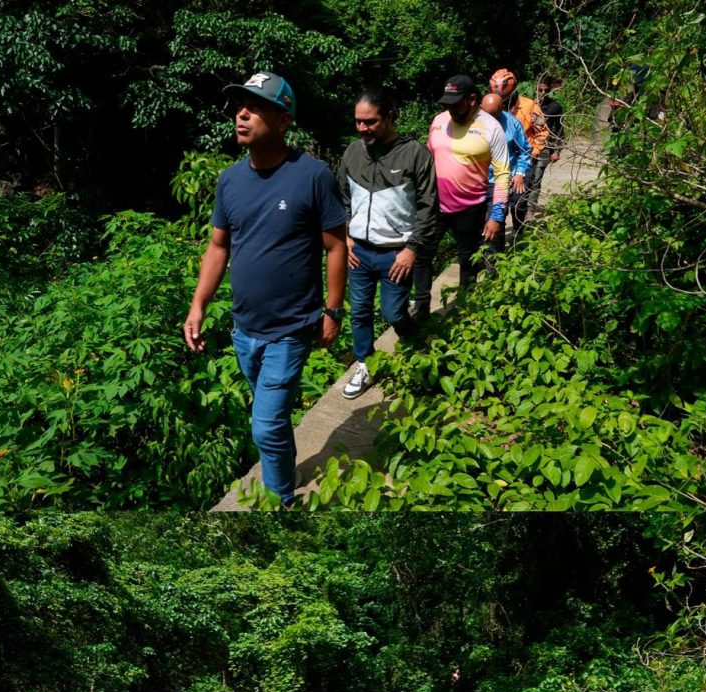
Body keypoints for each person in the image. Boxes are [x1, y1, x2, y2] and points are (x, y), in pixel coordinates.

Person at [184, 71, 347, 507]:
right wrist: (199, 304)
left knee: (266, 424)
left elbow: (336, 247)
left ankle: (280, 503)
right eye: (241, 106)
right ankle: (287, 470)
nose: (242, 114)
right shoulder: (230, 180)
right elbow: (218, 247)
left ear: (283, 120)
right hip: (245, 328)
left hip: (291, 327)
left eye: (255, 107)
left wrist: (333, 312)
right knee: (270, 416)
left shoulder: (312, 176)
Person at [338, 86, 437, 399]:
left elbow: (428, 206)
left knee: (394, 313)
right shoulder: (353, 153)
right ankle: (364, 364)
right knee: (359, 312)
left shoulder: (415, 154)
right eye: (358, 121)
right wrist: (345, 236)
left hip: (396, 253)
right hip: (358, 251)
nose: (362, 128)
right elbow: (341, 198)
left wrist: (412, 249)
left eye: (370, 122)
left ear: (390, 116)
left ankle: (418, 347)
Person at [411, 75, 510, 317]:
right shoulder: (439, 121)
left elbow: (502, 173)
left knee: (468, 259)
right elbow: (429, 158)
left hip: (470, 207)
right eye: (447, 104)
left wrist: (496, 215)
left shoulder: (491, 127)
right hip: (435, 204)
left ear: (472, 99)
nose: (451, 109)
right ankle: (421, 307)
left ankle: (466, 307)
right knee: (422, 254)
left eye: (456, 104)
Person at [488, 69, 549, 237]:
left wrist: (533, 152)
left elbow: (543, 131)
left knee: (518, 202)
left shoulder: (529, 106)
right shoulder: (489, 105)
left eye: (504, 100)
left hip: (523, 159)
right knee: (498, 204)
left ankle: (518, 233)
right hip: (498, 162)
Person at [479, 92, 531, 253]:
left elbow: (524, 150)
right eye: (485, 113)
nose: (489, 118)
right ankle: (481, 256)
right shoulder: (472, 123)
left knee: (497, 219)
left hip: (503, 178)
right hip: (479, 179)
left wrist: (520, 173)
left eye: (493, 114)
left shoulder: (512, 123)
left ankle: (495, 260)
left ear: (502, 108)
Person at [524, 76, 564, 214]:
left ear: (550, 90)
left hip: (545, 147)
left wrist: (557, 150)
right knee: (525, 177)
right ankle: (521, 205)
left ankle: (530, 209)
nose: (542, 93)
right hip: (527, 147)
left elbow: (559, 130)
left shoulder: (555, 107)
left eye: (546, 90)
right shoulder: (528, 105)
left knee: (536, 178)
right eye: (540, 90)